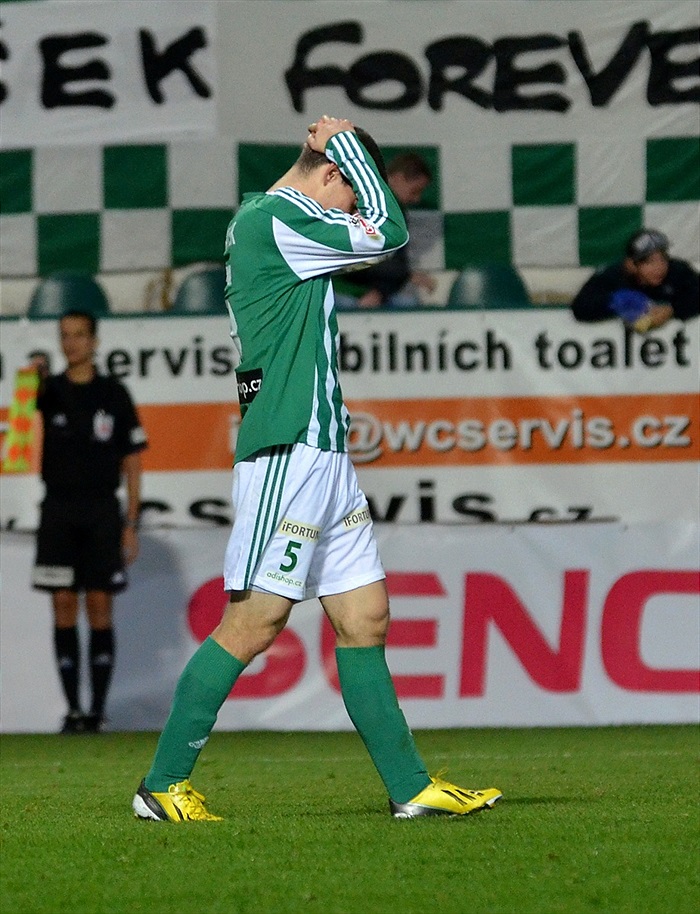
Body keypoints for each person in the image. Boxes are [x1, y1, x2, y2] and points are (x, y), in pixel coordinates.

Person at [132, 116, 502, 822]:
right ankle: (160, 785)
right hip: (290, 450)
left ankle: (410, 787)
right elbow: (391, 234)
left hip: (325, 455)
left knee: (365, 617)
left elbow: (368, 226)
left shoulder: (279, 218)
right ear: (332, 172)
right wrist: (349, 158)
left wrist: (340, 160)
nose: (356, 210)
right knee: (255, 623)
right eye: (351, 191)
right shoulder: (280, 218)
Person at [32, 310, 148, 733]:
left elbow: (132, 461)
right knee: (63, 603)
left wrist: (130, 522)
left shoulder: (114, 393)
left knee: (99, 606)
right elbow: (22, 428)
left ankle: (97, 710)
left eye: (80, 335)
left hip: (101, 510)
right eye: (65, 336)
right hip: (58, 510)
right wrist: (35, 380)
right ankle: (73, 709)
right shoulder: (50, 391)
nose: (72, 343)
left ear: (95, 341)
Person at [333, 152, 437, 309]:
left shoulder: (393, 210)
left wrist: (381, 291)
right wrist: (403, 277)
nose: (416, 199)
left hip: (367, 288)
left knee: (409, 303)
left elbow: (393, 261)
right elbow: (358, 255)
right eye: (415, 191)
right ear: (398, 178)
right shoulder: (367, 204)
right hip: (341, 287)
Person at [571, 228, 699, 331]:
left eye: (663, 259)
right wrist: (613, 303)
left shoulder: (678, 270)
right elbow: (580, 308)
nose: (659, 268)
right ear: (631, 264)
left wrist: (672, 310)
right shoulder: (612, 276)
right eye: (650, 262)